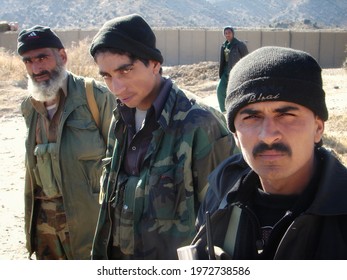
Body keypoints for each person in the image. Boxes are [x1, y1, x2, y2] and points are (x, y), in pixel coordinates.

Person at [89, 14, 236, 260]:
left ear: (154, 64)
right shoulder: (120, 117)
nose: (115, 87)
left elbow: (223, 223)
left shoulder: (200, 124)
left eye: (125, 71)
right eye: (106, 76)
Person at [189, 46, 347, 260]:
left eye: (287, 115)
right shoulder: (221, 193)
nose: (268, 135)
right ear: (235, 134)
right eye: (251, 117)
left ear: (318, 128)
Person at [17, 25, 116, 259]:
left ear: (62, 56)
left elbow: (119, 161)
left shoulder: (95, 97)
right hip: (45, 232)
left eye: (42, 58)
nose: (36, 67)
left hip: (87, 228)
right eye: (28, 61)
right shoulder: (29, 107)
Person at [216, 26, 248, 113]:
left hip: (237, 71)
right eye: (225, 33)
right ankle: (224, 111)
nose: (227, 35)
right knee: (220, 90)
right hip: (226, 71)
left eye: (229, 33)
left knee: (236, 92)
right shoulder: (224, 46)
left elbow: (246, 59)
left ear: (233, 33)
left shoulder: (240, 45)